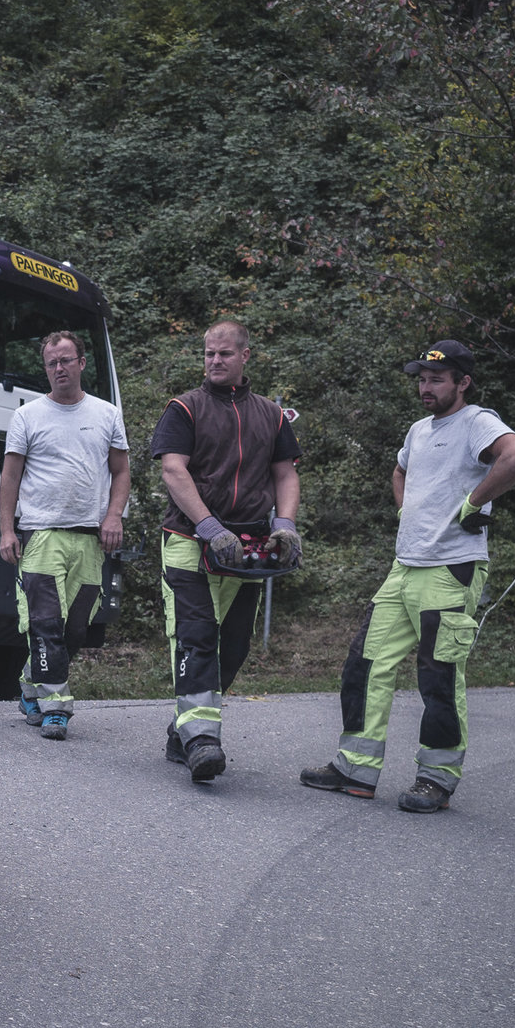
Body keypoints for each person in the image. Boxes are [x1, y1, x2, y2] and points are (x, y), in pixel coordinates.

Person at [301, 340, 515, 813]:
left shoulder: (477, 422)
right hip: (404, 567)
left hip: (451, 569)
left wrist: (472, 505)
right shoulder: (419, 429)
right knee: (365, 663)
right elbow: (399, 470)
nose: (425, 388)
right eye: (422, 380)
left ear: (462, 382)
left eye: (436, 380)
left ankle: (436, 778)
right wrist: (408, 512)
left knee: (439, 676)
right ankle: (355, 768)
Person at [150, 319, 302, 782]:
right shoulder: (184, 408)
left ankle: (184, 729)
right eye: (209, 354)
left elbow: (286, 474)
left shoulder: (271, 415)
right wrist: (209, 525)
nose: (215, 361)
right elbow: (174, 471)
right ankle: (202, 742)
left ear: (245, 356)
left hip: (248, 550)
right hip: (188, 543)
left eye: (224, 354)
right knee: (196, 639)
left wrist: (286, 525)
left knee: (231, 649)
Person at [0, 331, 130, 740]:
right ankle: (57, 707)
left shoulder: (106, 414)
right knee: (45, 624)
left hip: (91, 537)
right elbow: (11, 476)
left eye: (66, 360)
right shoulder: (27, 416)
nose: (59, 368)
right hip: (42, 535)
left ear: (82, 363)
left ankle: (29, 684)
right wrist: (6, 530)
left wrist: (114, 517)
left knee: (75, 630)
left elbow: (121, 471)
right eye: (52, 362)